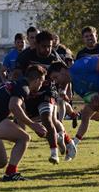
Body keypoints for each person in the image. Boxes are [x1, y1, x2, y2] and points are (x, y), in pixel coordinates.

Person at [14, 30, 77, 164]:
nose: (47, 49)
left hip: (48, 92)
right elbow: (17, 74)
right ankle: (67, 141)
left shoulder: (54, 57)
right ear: (36, 45)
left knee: (47, 118)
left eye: (50, 46)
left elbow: (66, 75)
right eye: (44, 46)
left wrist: (64, 90)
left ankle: (54, 153)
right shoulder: (26, 56)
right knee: (47, 126)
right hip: (30, 94)